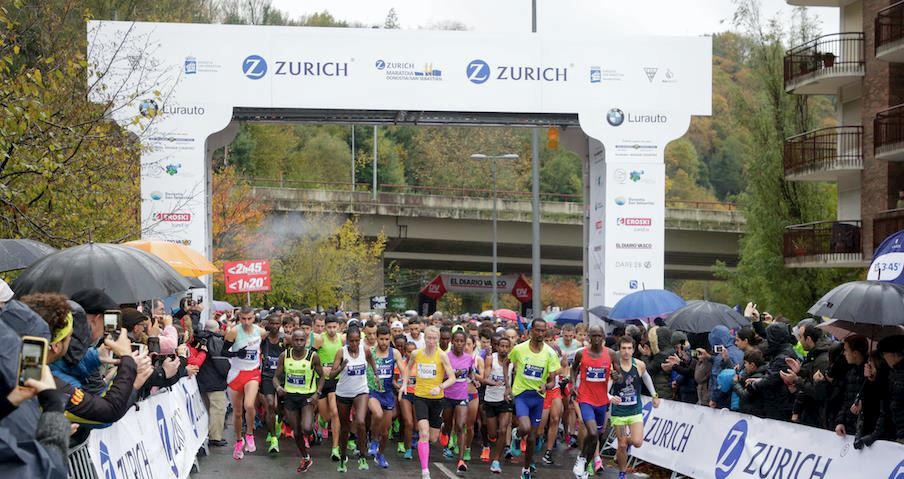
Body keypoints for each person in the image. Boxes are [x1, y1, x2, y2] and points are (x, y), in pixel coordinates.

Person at [508, 318, 561, 479]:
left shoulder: (550, 353)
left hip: (538, 397)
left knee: (532, 437)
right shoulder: (519, 349)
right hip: (522, 395)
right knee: (525, 427)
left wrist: (547, 386)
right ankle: (517, 435)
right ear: (531, 331)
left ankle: (526, 469)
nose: (540, 333)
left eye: (543, 330)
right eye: (537, 330)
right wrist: (507, 386)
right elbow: (506, 362)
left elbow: (552, 380)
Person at [328, 326, 379, 472]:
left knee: (361, 421)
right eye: (352, 341)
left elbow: (371, 360)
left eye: (357, 341)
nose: (355, 344)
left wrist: (376, 374)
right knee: (345, 428)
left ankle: (362, 455)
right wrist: (341, 367)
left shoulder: (365, 350)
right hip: (343, 393)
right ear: (347, 340)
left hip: (361, 391)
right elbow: (331, 375)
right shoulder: (341, 352)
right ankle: (343, 457)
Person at [609, 336, 660, 479]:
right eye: (623, 348)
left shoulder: (639, 365)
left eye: (629, 348)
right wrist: (610, 397)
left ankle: (623, 447)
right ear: (619, 350)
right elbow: (607, 387)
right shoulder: (614, 367)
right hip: (619, 412)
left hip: (635, 410)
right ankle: (622, 472)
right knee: (622, 445)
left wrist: (654, 395)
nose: (626, 351)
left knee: (637, 442)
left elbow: (647, 378)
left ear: (633, 349)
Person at [409, 325, 457, 479]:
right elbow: (407, 368)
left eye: (434, 338)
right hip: (420, 397)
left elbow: (452, 378)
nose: (431, 341)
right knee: (423, 433)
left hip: (437, 399)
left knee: (433, 438)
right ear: (424, 338)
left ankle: (441, 428)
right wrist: (404, 384)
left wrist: (440, 387)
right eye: (429, 338)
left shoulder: (442, 355)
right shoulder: (416, 354)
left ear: (438, 339)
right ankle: (425, 471)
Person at [274, 330, 325, 472]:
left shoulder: (313, 356)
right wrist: (278, 387)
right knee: (296, 432)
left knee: (306, 428)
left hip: (307, 396)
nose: (298, 343)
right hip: (290, 396)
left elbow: (322, 376)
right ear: (291, 341)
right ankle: (305, 458)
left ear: (306, 341)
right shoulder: (285, 356)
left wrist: (317, 393)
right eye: (296, 340)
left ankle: (312, 430)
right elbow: (276, 377)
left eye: (302, 340)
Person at [570, 326, 615, 479]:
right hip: (585, 398)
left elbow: (619, 374)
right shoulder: (581, 353)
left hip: (602, 401)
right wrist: (573, 384)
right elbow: (573, 369)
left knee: (596, 437)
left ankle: (584, 467)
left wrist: (617, 375)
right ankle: (582, 457)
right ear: (589, 337)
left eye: (599, 336)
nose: (596, 339)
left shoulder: (610, 354)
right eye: (593, 335)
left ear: (603, 337)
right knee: (592, 432)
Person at [222, 306, 266, 460]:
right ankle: (238, 440)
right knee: (238, 412)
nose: (246, 322)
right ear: (239, 318)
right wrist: (236, 353)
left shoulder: (260, 332)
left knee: (249, 405)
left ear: (254, 318)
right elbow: (223, 352)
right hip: (236, 373)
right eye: (243, 319)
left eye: (249, 319)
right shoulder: (234, 332)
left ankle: (250, 434)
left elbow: (265, 345)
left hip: (252, 372)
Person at [367, 324, 407, 469]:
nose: (384, 342)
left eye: (386, 339)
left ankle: (380, 455)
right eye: (381, 339)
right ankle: (373, 440)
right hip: (373, 391)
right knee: (377, 414)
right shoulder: (370, 352)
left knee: (385, 432)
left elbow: (403, 370)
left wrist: (404, 384)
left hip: (388, 393)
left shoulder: (394, 353)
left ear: (390, 339)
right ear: (376, 338)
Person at [441, 329, 478, 472]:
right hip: (447, 396)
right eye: (456, 341)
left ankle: (461, 460)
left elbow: (470, 372)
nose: (459, 344)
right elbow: (440, 377)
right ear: (452, 342)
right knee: (448, 424)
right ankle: (444, 433)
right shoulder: (446, 357)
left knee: (461, 425)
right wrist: (453, 375)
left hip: (462, 396)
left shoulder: (469, 358)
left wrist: (474, 380)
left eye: (462, 341)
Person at [195, 319, 230, 447]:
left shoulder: (199, 339)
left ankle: (208, 434)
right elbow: (220, 361)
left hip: (201, 379)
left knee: (207, 409)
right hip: (215, 381)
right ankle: (215, 436)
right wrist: (228, 375)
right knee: (218, 409)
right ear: (217, 329)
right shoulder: (215, 340)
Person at [315, 314, 344, 461]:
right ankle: (321, 421)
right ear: (325, 327)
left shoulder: (342, 339)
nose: (332, 330)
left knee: (335, 412)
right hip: (321, 380)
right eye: (329, 327)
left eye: (334, 327)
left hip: (335, 380)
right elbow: (310, 356)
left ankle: (335, 448)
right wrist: (320, 368)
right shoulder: (320, 339)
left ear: (338, 326)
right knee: (326, 417)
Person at [483, 335, 513, 474]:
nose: (504, 349)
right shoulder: (491, 359)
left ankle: (496, 461)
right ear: (497, 347)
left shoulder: (512, 361)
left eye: (507, 346)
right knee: (493, 434)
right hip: (490, 399)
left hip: (505, 400)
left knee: (503, 430)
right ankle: (492, 443)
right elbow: (485, 378)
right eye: (502, 346)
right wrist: (494, 383)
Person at [259, 319, 285, 454]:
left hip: (282, 377)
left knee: (280, 407)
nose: (275, 326)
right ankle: (274, 438)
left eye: (277, 324)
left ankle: (278, 423)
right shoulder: (263, 339)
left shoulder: (285, 339)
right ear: (268, 324)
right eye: (272, 324)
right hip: (267, 376)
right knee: (270, 404)